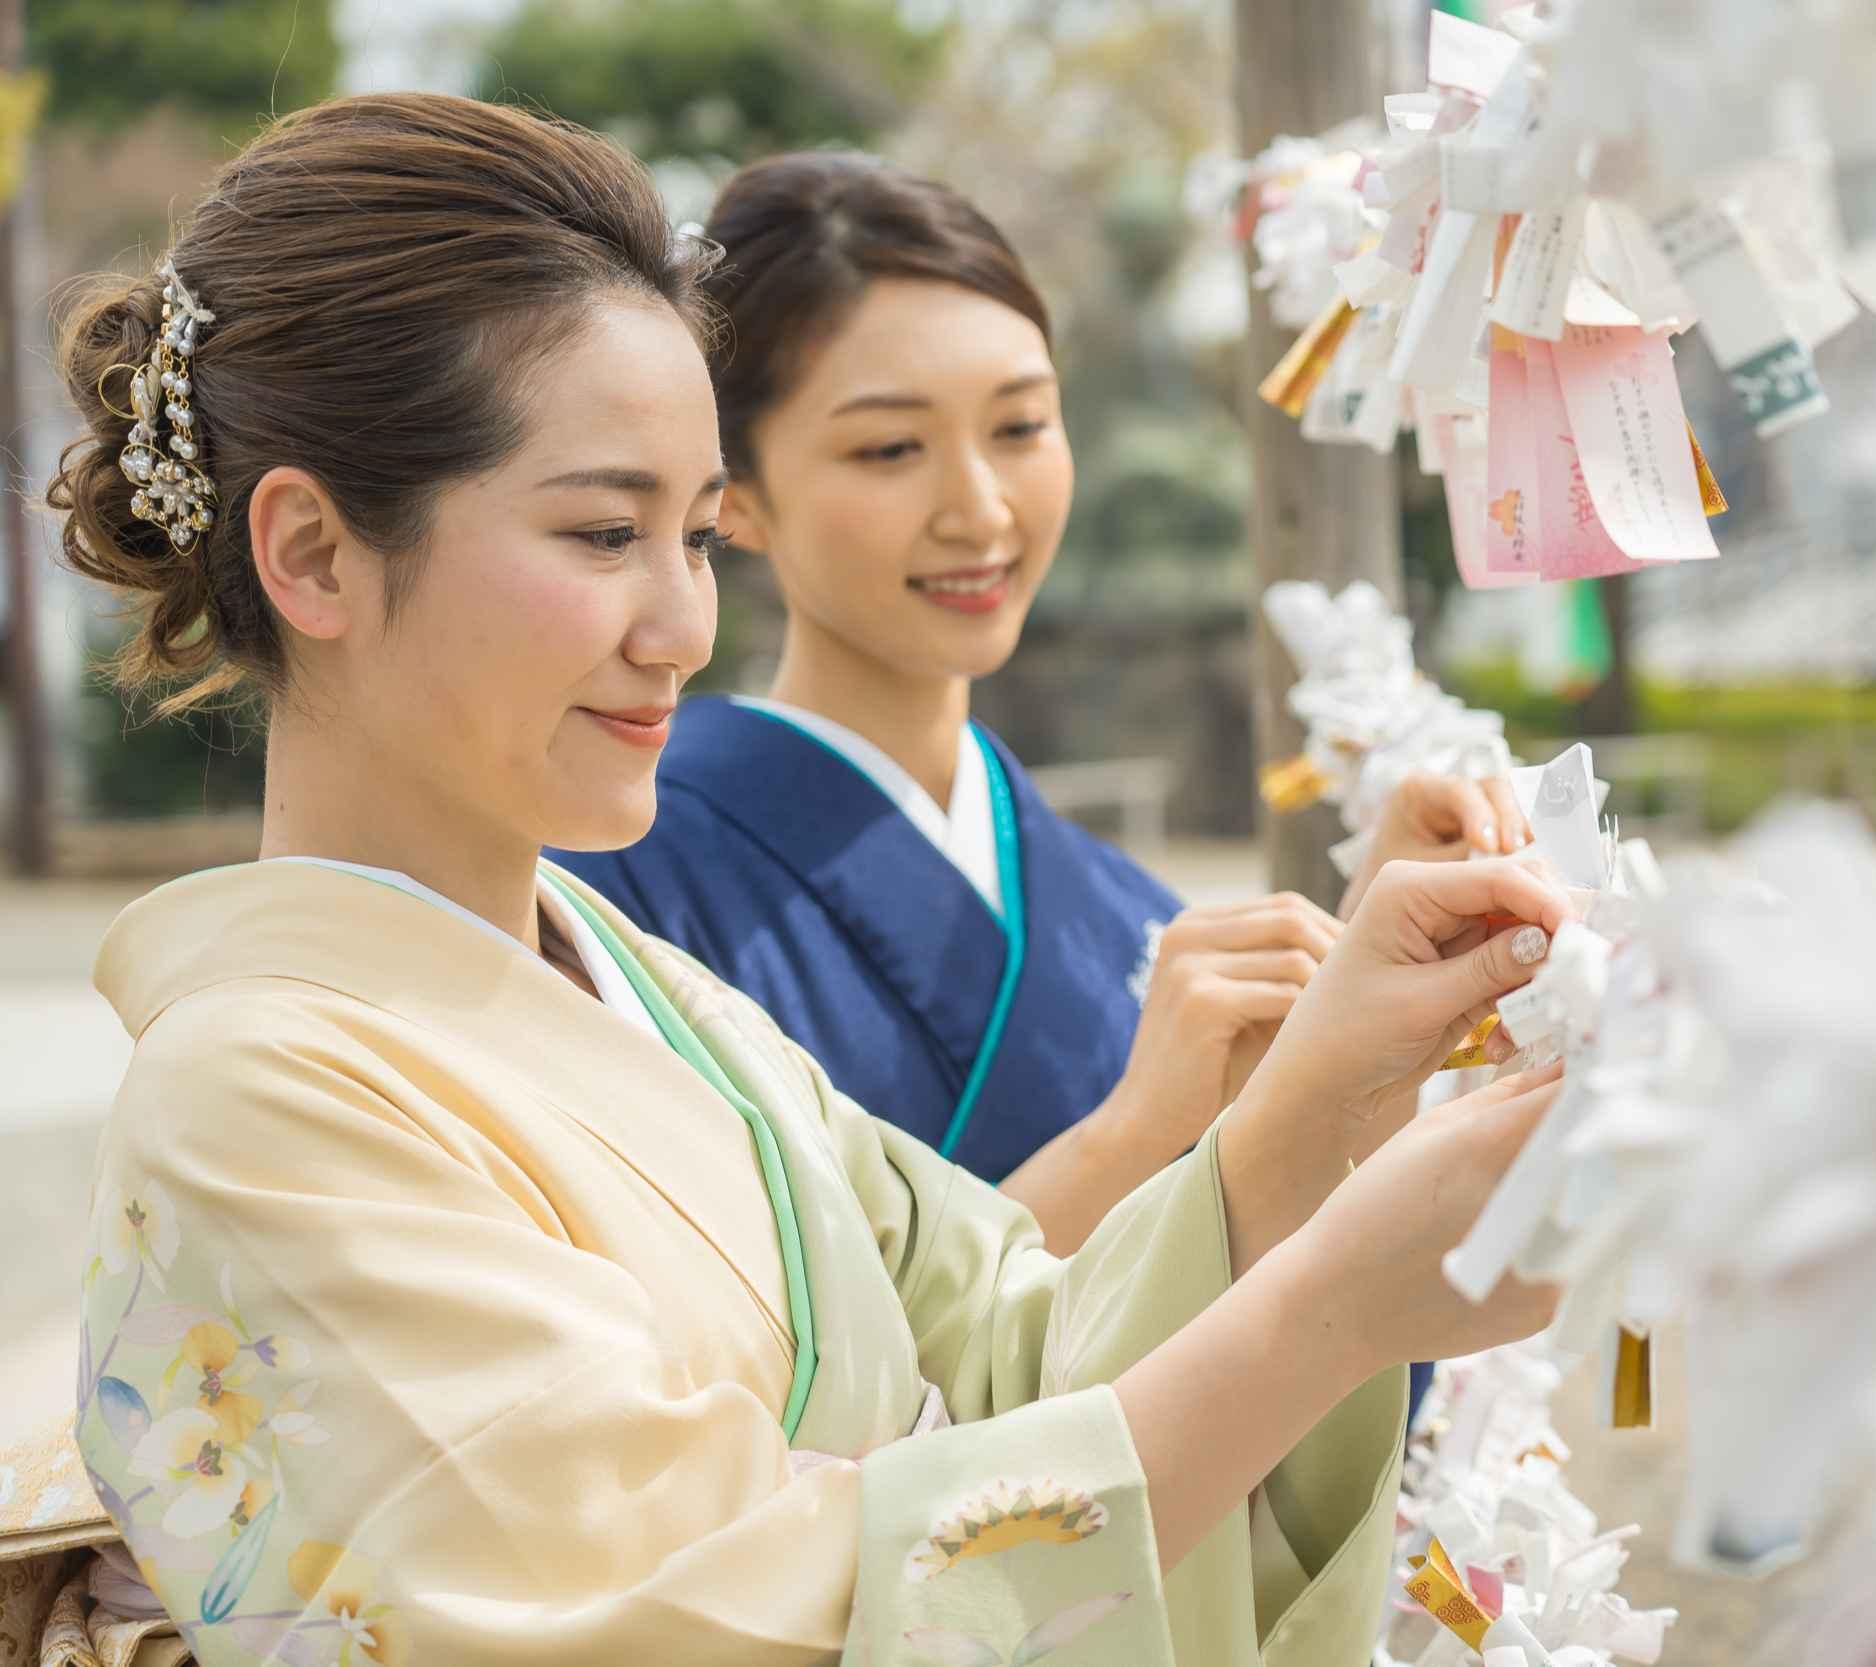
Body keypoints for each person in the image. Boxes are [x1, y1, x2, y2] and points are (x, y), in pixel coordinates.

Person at [51, 94, 1567, 1666]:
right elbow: (694, 1621)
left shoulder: (649, 986)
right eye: (600, 533)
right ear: (310, 555)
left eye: (697, 538)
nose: (683, 624)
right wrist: (1330, 1308)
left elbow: (1012, 1354)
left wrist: (1337, 1081)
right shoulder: (260, 1102)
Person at [555, 150, 1528, 1257]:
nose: (979, 509)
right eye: (890, 447)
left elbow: (1295, 1340)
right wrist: (1131, 1132)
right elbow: (732, 1362)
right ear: (733, 497)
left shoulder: (1120, 906)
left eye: (1019, 427)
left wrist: (1356, 1013)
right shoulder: (616, 880)